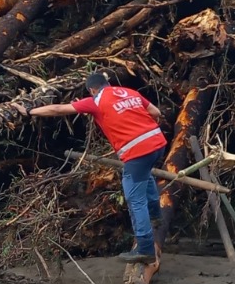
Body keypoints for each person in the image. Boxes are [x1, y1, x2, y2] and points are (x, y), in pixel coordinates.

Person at [30, 71, 168, 263]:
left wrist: (31, 111)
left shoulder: (95, 101)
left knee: (135, 199)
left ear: (92, 90)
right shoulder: (128, 92)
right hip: (158, 143)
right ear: (107, 83)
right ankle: (155, 216)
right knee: (145, 176)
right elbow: (156, 112)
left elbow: (58, 109)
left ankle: (145, 248)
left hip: (137, 152)